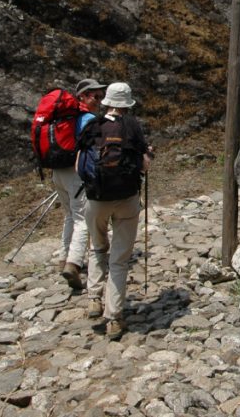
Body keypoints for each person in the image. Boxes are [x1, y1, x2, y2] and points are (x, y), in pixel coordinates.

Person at [78, 82, 151, 340]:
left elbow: (79, 163)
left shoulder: (92, 126)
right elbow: (144, 166)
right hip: (127, 199)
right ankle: (113, 318)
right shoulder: (132, 127)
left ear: (107, 101)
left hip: (96, 198)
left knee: (98, 248)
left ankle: (93, 299)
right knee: (119, 259)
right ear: (127, 104)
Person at [53, 78, 105, 290]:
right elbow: (93, 149)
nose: (99, 100)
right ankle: (73, 264)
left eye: (101, 96)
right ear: (82, 96)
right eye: (95, 96)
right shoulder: (87, 118)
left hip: (57, 170)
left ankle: (63, 257)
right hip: (74, 172)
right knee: (82, 218)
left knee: (70, 215)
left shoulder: (62, 117)